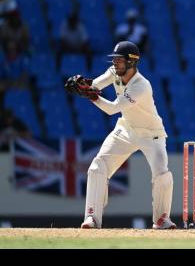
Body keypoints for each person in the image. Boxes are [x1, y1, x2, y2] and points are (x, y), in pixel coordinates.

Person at [64, 41, 176, 229]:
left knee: (162, 174)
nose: (115, 63)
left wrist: (90, 96)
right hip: (126, 129)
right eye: (114, 60)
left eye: (119, 60)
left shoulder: (141, 86)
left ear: (132, 62)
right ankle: (92, 217)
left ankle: (161, 219)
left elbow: (112, 108)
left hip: (151, 134)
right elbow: (95, 84)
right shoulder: (114, 72)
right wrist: (83, 85)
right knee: (98, 166)